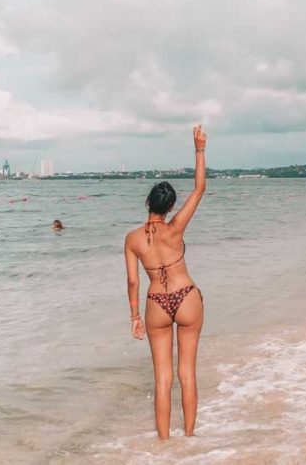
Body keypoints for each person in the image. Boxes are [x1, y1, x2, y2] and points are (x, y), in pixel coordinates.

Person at [124, 125, 208, 439]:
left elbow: (133, 282)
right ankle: (189, 440)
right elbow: (199, 189)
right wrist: (199, 150)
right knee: (187, 374)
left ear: (148, 202)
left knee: (162, 379)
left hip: (156, 303)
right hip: (186, 297)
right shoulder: (175, 228)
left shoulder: (132, 239)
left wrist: (134, 316)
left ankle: (163, 445)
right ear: (170, 207)